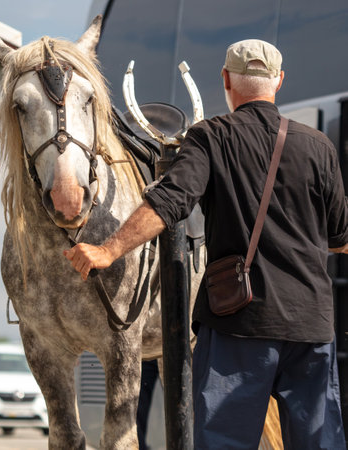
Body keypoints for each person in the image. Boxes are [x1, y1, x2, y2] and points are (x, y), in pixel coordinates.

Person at [64, 39, 348, 449]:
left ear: (226, 80)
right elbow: (340, 237)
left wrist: (107, 250)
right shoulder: (319, 146)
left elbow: (169, 202)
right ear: (279, 81)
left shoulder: (211, 137)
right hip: (311, 328)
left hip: (240, 323)